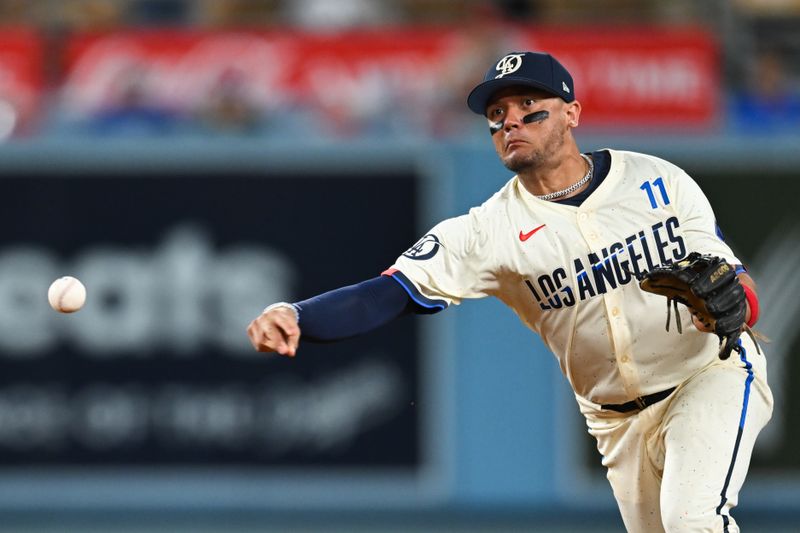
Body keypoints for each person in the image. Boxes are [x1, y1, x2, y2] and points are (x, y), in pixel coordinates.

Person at [247, 52, 773, 532]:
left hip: (709, 373)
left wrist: (739, 304)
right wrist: (299, 315)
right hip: (616, 420)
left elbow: (734, 278)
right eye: (497, 115)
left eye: (529, 106)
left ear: (572, 113)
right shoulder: (487, 231)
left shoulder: (655, 179)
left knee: (693, 522)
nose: (511, 122)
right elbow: (389, 293)